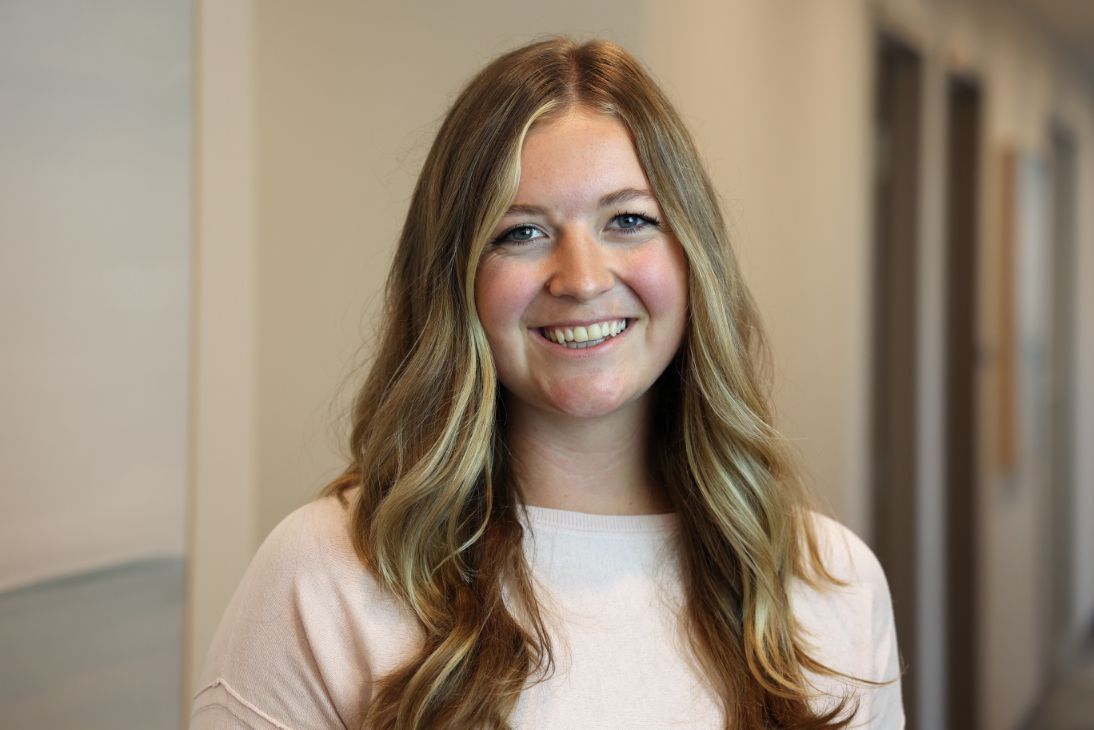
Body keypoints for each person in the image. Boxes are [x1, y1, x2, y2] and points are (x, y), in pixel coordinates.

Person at [191, 38, 904, 729]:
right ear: (453, 278)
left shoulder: (835, 584)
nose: (583, 279)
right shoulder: (323, 573)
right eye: (522, 233)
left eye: (629, 220)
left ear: (695, 259)